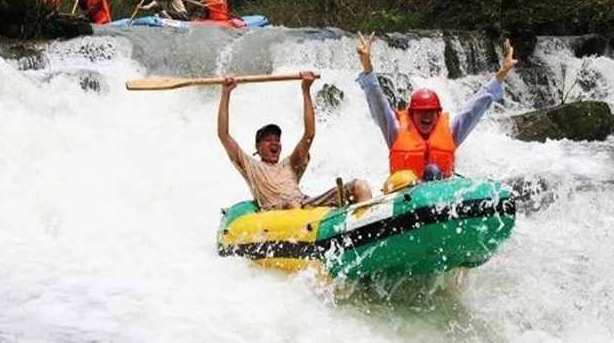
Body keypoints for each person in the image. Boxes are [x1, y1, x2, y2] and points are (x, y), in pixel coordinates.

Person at [355, 32, 517, 184]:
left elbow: (474, 108)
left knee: (433, 171)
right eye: (422, 112)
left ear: (438, 114)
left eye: (431, 112)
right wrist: (367, 69)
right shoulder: (395, 130)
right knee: (429, 171)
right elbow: (379, 104)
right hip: (403, 197)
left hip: (439, 195)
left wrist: (501, 74)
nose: (427, 116)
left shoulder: (451, 132)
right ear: (412, 114)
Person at [217, 72, 372, 210]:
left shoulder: (290, 164)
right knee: (292, 205)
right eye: (268, 140)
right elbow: (223, 135)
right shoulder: (250, 166)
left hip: (305, 205)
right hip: (279, 213)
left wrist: (305, 89)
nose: (274, 143)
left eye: (277, 140)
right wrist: (226, 93)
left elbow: (309, 134)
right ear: (257, 147)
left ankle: (369, 228)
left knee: (360, 186)